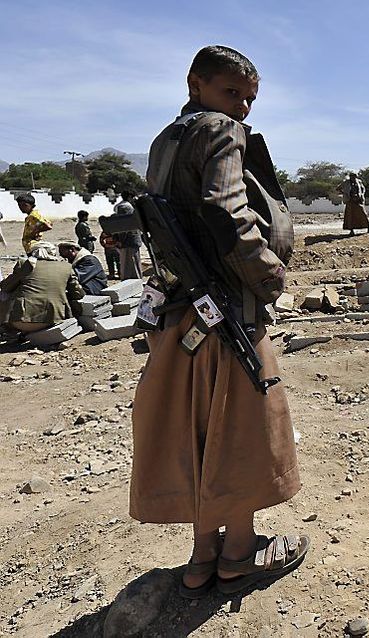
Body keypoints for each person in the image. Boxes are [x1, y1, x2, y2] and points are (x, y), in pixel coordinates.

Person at [135, 45, 307, 599]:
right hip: (230, 311)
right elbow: (224, 208)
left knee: (199, 433)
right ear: (196, 83)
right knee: (241, 435)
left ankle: (202, 554)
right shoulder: (220, 132)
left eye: (249, 99)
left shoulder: (167, 139)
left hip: (181, 313)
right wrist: (269, 276)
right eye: (232, 92)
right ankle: (238, 553)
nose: (242, 109)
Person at [0, 241, 84, 334]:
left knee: (5, 294)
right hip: (54, 319)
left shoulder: (24, 264)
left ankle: (6, 327)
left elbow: (6, 287)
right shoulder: (66, 267)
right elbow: (78, 293)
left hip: (20, 321)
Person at [114, 190, 144, 279]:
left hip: (129, 240)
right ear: (129, 197)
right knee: (131, 262)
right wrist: (121, 240)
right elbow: (125, 226)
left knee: (130, 262)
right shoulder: (125, 207)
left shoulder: (124, 207)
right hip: (129, 240)